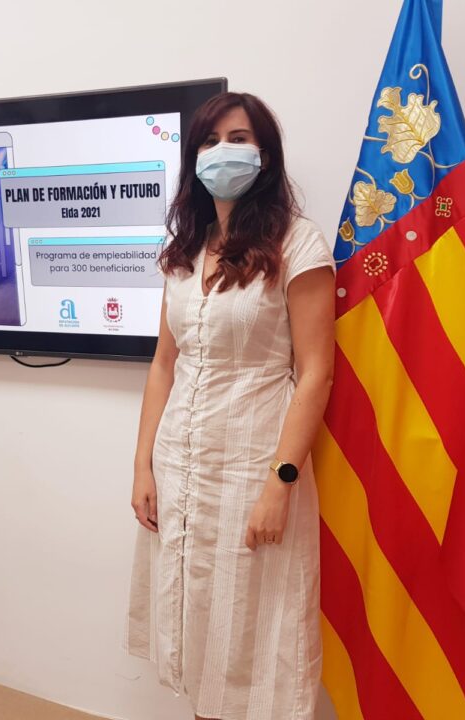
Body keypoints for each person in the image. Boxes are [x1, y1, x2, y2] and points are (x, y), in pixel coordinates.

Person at [127, 93, 335, 720]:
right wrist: (143, 467)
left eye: (238, 139)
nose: (223, 152)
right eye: (210, 141)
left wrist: (281, 483)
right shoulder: (185, 251)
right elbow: (164, 364)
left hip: (254, 468)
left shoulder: (298, 244)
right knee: (195, 625)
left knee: (251, 634)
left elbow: (316, 372)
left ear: (264, 155)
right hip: (181, 465)